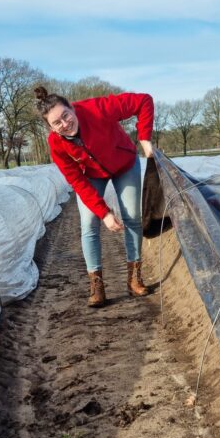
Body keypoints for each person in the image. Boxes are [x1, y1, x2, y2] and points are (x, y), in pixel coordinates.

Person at [34, 84, 155, 308]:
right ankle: (97, 285)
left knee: (132, 218)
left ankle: (134, 277)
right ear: (50, 128)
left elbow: (144, 100)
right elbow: (77, 182)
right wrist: (104, 213)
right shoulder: (56, 145)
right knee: (89, 223)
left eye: (66, 115)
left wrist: (144, 137)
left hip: (124, 164)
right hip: (91, 174)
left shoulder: (97, 109)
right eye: (56, 123)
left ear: (72, 108)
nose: (65, 124)